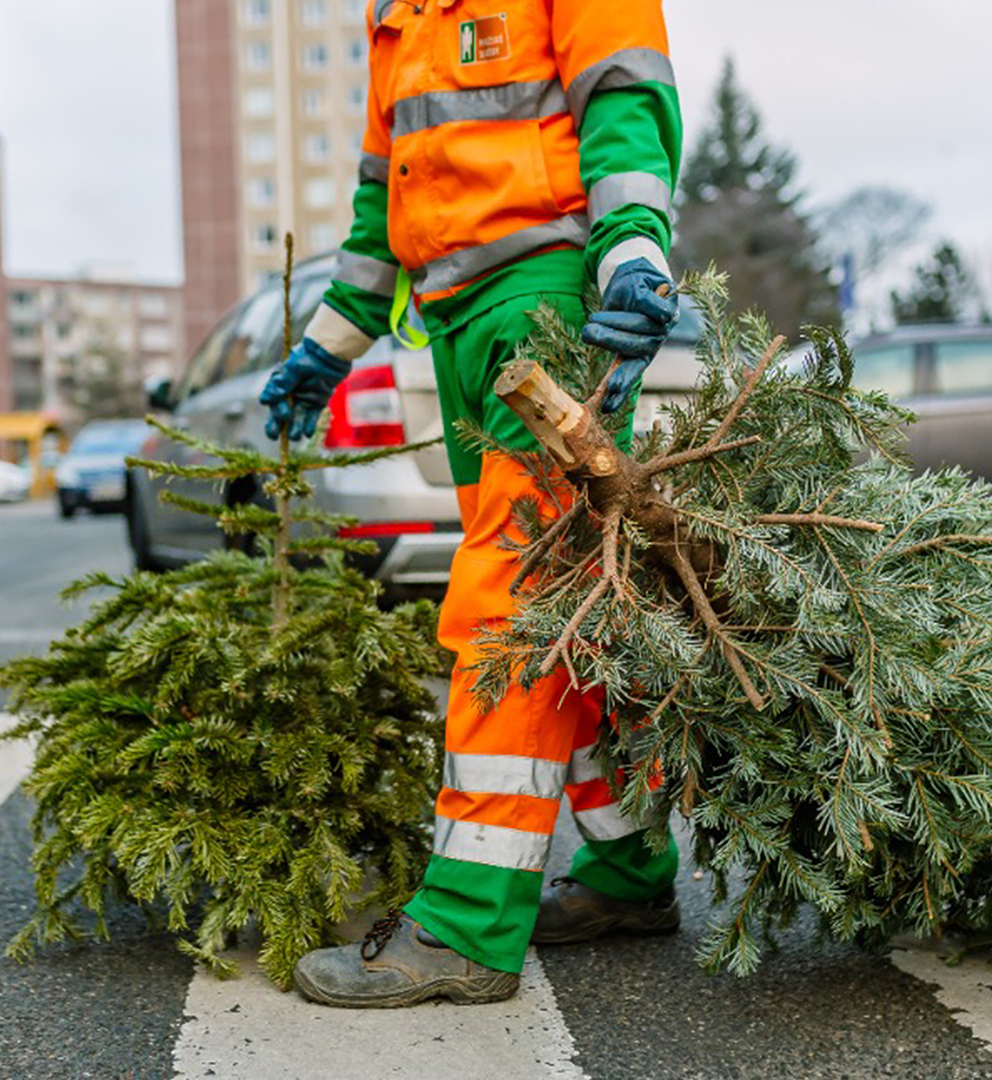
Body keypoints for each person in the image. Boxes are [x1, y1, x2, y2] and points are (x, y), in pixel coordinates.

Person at [261, 0, 682, 1009]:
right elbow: (383, 205)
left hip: (538, 304)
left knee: (507, 608)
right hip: (457, 329)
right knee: (563, 614)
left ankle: (465, 923)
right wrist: (329, 342)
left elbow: (625, 97)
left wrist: (631, 248)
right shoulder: (395, 20)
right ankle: (629, 871)